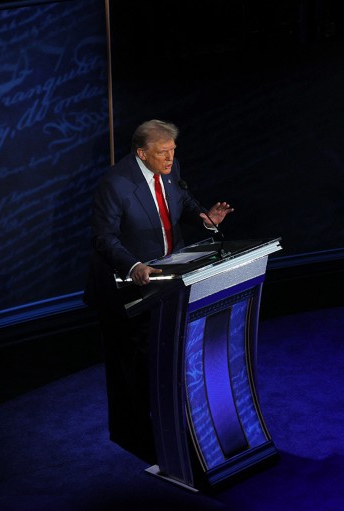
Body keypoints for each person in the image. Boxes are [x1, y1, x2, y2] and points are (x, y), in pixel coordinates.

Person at [84, 119, 233, 462]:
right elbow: (103, 238)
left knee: (166, 354)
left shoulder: (171, 168)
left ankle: (170, 423)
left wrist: (203, 217)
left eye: (173, 151)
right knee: (131, 366)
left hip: (166, 279)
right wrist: (134, 266)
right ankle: (132, 436)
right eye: (163, 152)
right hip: (124, 288)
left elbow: (182, 194)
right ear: (141, 153)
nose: (170, 158)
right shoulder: (115, 184)